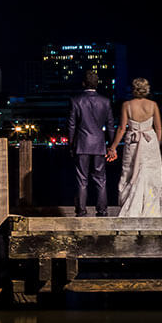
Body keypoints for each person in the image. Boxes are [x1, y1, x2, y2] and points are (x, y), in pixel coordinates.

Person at [108, 77, 162, 216]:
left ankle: (132, 209)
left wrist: (113, 147)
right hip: (149, 143)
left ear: (134, 89)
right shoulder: (153, 105)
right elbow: (158, 128)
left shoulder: (127, 105)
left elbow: (122, 128)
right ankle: (149, 210)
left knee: (130, 172)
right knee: (150, 175)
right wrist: (155, 145)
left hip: (133, 142)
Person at [67, 69, 113, 216]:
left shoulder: (76, 100)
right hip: (99, 145)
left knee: (82, 180)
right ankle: (102, 211)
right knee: (101, 180)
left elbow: (71, 125)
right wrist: (111, 145)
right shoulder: (105, 101)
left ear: (83, 83)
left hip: (81, 144)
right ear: (97, 84)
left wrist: (71, 143)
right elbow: (111, 125)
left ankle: (81, 211)